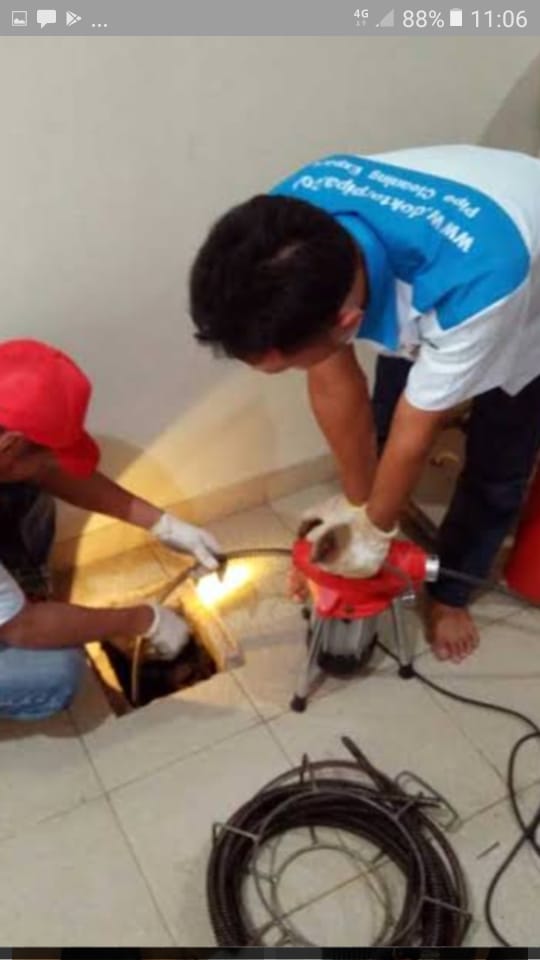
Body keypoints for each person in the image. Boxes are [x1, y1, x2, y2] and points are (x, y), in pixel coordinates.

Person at [189, 144, 540, 664]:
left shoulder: (474, 288)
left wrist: (374, 533)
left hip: (521, 286)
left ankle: (451, 595)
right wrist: (359, 507)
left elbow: (417, 427)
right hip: (445, 253)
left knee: (500, 454)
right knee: (389, 412)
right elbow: (335, 382)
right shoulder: (284, 231)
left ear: (347, 323)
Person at [0, 339, 221, 720]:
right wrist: (141, 620)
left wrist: (162, 523)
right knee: (56, 673)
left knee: (26, 488)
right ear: (10, 444)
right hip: (21, 626)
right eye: (46, 457)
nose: (51, 465)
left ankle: (14, 594)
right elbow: (23, 628)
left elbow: (53, 473)